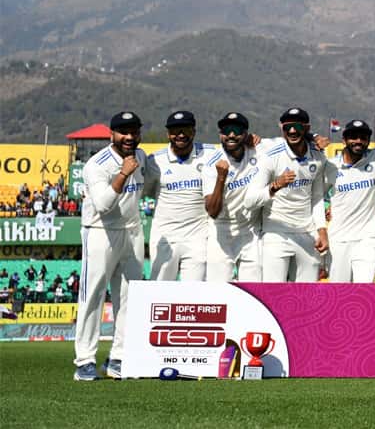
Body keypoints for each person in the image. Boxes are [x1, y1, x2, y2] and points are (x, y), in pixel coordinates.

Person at [73, 111, 154, 381]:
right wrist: (122, 173)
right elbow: (104, 205)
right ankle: (84, 360)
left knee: (129, 297)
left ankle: (119, 357)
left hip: (131, 231)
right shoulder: (96, 164)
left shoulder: (141, 157)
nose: (130, 137)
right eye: (124, 132)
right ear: (113, 134)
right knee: (93, 295)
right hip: (100, 232)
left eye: (134, 132)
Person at [255, 107, 330, 282]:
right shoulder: (268, 153)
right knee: (273, 295)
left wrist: (322, 230)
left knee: (307, 297)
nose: (292, 131)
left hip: (307, 233)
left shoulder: (318, 156)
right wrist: (275, 186)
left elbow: (317, 197)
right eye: (287, 127)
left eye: (297, 126)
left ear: (307, 128)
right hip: (276, 233)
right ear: (282, 128)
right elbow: (250, 200)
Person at [145, 111, 212, 281]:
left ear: (194, 131)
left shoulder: (210, 154)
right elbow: (146, 191)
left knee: (194, 294)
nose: (180, 135)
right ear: (168, 133)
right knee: (160, 293)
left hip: (198, 238)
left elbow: (234, 150)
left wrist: (251, 141)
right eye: (175, 131)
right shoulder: (154, 161)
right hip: (165, 237)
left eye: (186, 130)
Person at [203, 112, 266, 282]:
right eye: (226, 130)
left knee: (255, 292)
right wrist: (221, 178)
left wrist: (314, 136)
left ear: (245, 134)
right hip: (221, 231)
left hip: (251, 231)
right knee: (218, 293)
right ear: (220, 134)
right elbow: (213, 211)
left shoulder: (257, 151)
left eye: (236, 130)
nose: (231, 135)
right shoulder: (212, 164)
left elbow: (288, 139)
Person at [323, 120, 375, 283]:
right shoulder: (331, 165)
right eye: (353, 137)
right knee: (338, 295)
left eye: (363, 137)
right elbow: (315, 195)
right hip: (338, 240)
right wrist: (325, 208)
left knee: (364, 291)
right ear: (344, 140)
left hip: (367, 239)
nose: (358, 141)